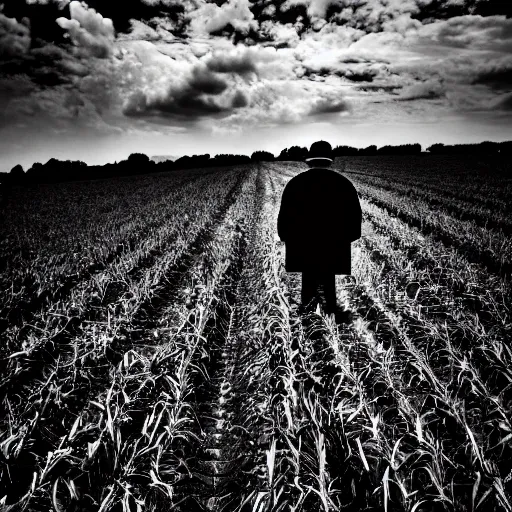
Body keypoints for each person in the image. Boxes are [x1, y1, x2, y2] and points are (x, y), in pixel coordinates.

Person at [277, 140, 362, 315]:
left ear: (310, 160)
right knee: (328, 279)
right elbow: (355, 218)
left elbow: (284, 217)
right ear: (329, 161)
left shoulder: (295, 183)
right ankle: (331, 314)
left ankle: (308, 317)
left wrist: (287, 238)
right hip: (334, 244)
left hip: (303, 245)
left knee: (308, 280)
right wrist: (345, 239)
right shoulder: (344, 184)